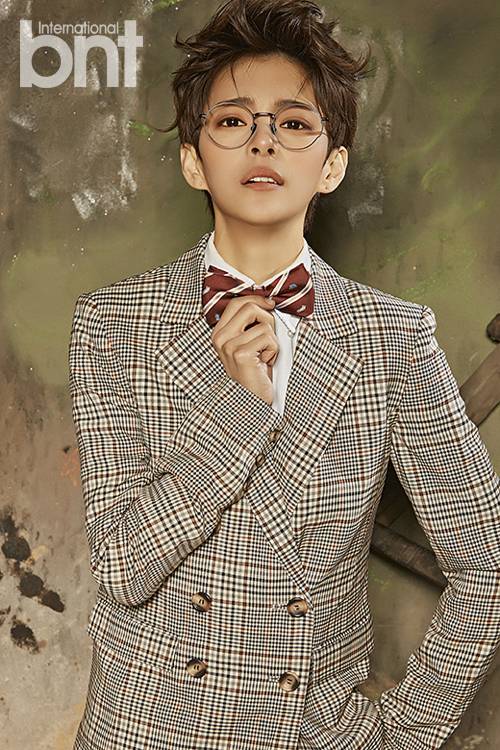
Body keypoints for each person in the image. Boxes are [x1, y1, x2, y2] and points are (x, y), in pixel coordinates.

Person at [69, 1, 500, 748]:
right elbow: (122, 566)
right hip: (144, 731)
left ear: (332, 165)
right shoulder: (112, 324)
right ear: (193, 159)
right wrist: (239, 410)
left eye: (294, 123)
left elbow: (486, 565)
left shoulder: (393, 339)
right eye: (233, 121)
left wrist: (401, 733)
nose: (263, 139)